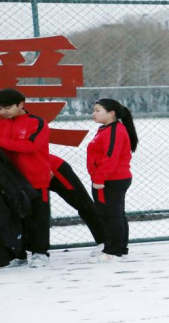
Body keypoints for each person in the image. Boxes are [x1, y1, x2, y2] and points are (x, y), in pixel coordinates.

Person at [0, 88, 51, 268]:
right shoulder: (2, 123)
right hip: (11, 181)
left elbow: (31, 146)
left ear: (21, 104)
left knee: (38, 216)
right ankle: (19, 254)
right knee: (15, 218)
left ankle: (40, 253)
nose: (3, 112)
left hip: (36, 178)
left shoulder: (37, 122)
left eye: (7, 108)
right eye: (0, 108)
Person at [87, 98, 137, 261]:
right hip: (108, 179)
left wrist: (100, 179)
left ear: (111, 113)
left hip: (112, 180)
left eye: (98, 110)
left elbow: (110, 158)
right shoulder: (105, 129)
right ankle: (117, 248)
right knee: (114, 214)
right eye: (94, 110)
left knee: (111, 215)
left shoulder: (114, 131)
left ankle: (113, 251)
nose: (94, 113)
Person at [49, 154, 106, 252]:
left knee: (83, 204)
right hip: (29, 175)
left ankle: (105, 241)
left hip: (53, 169)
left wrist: (45, 167)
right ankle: (31, 247)